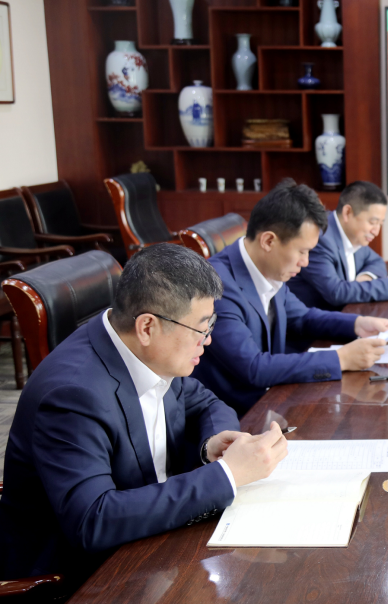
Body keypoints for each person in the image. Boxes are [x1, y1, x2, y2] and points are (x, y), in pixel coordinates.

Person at [0, 244, 288, 585]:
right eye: (201, 329)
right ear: (147, 327)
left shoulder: (146, 349)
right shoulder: (72, 395)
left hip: (154, 535)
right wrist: (227, 474)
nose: (207, 341)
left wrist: (213, 443)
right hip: (84, 575)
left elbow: (206, 403)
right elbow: (93, 521)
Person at [192, 179, 388, 415]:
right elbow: (253, 367)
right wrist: (340, 359)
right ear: (268, 241)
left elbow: (302, 317)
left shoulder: (268, 267)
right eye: (302, 251)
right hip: (237, 415)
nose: (306, 262)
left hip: (275, 399)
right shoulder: (217, 285)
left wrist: (358, 323)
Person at [288, 181, 388, 310]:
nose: (376, 231)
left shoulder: (353, 235)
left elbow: (377, 261)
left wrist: (365, 279)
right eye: (373, 222)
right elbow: (336, 293)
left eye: (380, 224)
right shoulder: (320, 239)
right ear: (348, 213)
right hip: (313, 324)